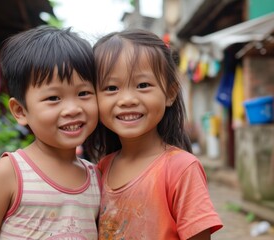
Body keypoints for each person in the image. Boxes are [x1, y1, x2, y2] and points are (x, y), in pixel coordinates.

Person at [85, 29, 223, 239]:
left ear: (169, 93)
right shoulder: (102, 169)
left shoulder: (181, 168)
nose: (127, 99)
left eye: (143, 85)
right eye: (111, 87)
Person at [0, 25, 101, 239]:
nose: (73, 109)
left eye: (84, 93)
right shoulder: (7, 174)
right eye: (53, 98)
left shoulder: (97, 179)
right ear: (20, 111)